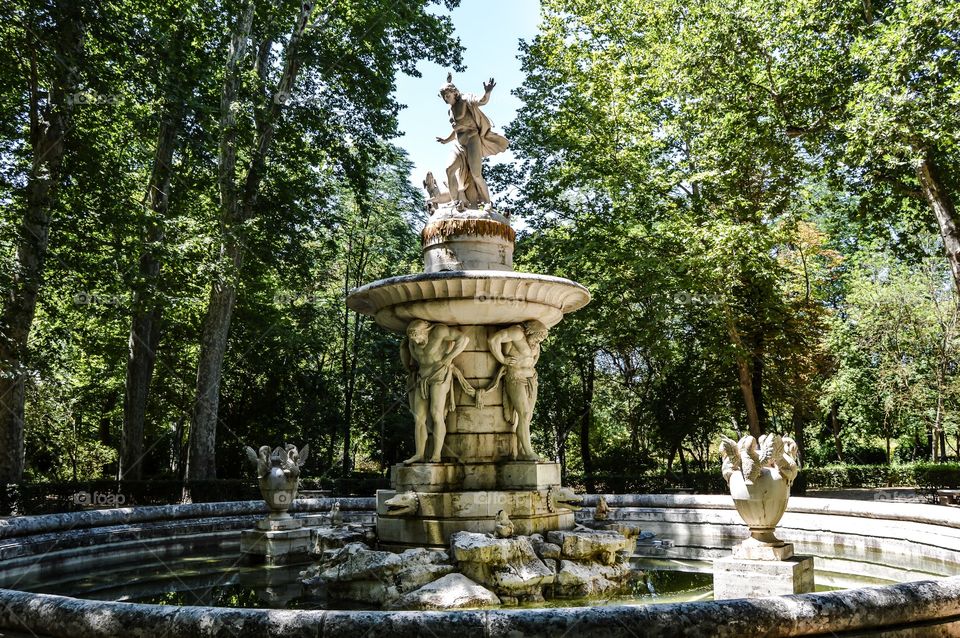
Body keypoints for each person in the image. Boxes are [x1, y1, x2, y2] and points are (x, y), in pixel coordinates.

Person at [435, 73, 509, 209]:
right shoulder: (450, 110)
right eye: (444, 97)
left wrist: (487, 92)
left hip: (472, 140)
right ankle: (455, 202)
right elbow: (456, 130)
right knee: (449, 169)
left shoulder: (465, 100)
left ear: (454, 93)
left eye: (447, 96)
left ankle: (488, 203)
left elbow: (481, 101)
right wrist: (446, 140)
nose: (446, 99)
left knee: (476, 174)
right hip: (459, 144)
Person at [401, 320, 470, 463]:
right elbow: (405, 350)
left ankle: (436, 455)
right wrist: (408, 367)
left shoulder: (439, 331)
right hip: (422, 376)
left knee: (436, 414)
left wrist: (449, 357)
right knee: (418, 418)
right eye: (412, 338)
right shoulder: (412, 341)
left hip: (439, 374)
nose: (416, 341)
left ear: (424, 331)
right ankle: (419, 454)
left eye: (417, 337)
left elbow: (463, 339)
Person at [488, 320, 548, 461]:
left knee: (528, 416)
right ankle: (528, 451)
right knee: (524, 413)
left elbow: (534, 357)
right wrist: (502, 359)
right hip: (516, 377)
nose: (538, 341)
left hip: (531, 379)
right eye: (538, 337)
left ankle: (522, 452)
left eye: (541, 340)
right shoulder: (517, 332)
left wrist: (530, 367)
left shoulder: (534, 342)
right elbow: (493, 339)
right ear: (531, 331)